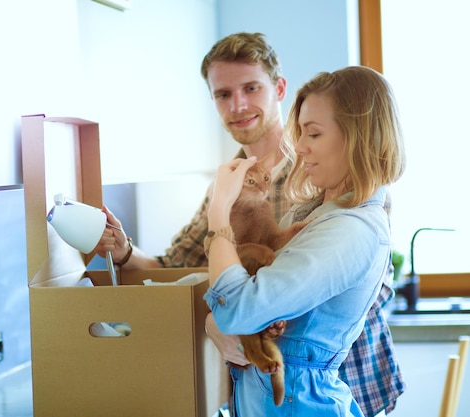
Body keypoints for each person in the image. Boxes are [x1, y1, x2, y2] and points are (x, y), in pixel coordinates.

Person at [95, 32, 405, 416]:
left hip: (341, 379)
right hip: (263, 386)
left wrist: (239, 313)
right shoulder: (226, 187)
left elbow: (362, 281)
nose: (238, 104)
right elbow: (179, 267)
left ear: (279, 88)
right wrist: (124, 249)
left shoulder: (328, 175)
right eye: (223, 94)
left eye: (251, 88)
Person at [203, 65, 406, 416]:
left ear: (358, 137)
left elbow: (239, 311)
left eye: (313, 134)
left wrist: (218, 210)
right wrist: (214, 321)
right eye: (300, 134)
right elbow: (251, 294)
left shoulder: (350, 231)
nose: (299, 147)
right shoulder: (314, 213)